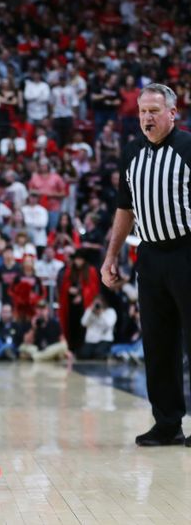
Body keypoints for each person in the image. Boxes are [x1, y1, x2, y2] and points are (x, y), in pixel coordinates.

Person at [101, 83, 191, 447]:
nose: (147, 118)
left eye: (154, 111)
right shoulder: (132, 153)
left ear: (173, 113)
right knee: (158, 343)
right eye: (142, 111)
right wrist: (111, 255)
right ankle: (167, 423)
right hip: (150, 255)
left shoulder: (188, 148)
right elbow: (125, 209)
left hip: (187, 250)